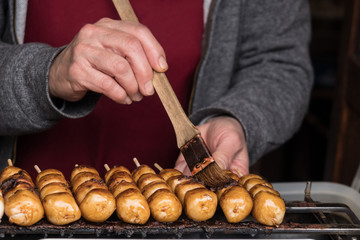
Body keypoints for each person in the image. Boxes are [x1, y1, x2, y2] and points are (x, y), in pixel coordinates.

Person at [0, 0, 313, 179]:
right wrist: (45, 73)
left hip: (190, 220)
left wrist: (237, 120)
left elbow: (280, 62)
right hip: (21, 212)